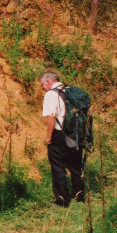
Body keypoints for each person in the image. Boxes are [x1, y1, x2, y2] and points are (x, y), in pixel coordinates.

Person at [40, 71, 84, 207]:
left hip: (59, 134)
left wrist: (48, 136)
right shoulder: (71, 91)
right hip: (76, 133)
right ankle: (79, 195)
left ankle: (62, 200)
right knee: (75, 166)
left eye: (42, 85)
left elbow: (52, 116)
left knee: (58, 166)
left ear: (48, 82)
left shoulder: (51, 94)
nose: (42, 88)